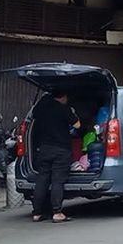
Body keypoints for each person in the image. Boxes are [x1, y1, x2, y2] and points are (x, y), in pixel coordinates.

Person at [31, 90, 80, 223]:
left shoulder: (42, 109)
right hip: (61, 150)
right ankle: (57, 212)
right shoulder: (64, 109)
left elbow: (33, 116)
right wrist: (73, 114)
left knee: (42, 179)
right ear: (63, 96)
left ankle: (37, 213)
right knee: (57, 180)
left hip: (44, 148)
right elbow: (77, 125)